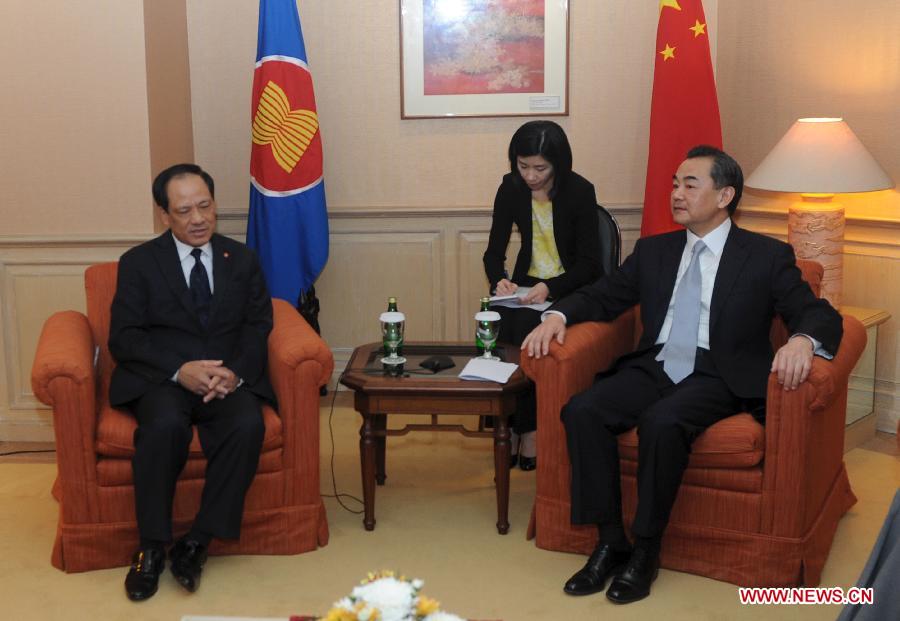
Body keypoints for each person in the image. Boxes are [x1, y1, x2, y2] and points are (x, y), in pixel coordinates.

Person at [521, 146, 843, 604]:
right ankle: (611, 539)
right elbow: (604, 295)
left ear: (725, 194)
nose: (676, 193)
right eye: (675, 183)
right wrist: (559, 315)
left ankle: (647, 551)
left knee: (663, 423)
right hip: (657, 362)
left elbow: (817, 312)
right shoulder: (655, 250)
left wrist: (801, 340)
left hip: (720, 372)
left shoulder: (766, 256)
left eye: (690, 184)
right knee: (583, 410)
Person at [109, 163, 275, 602]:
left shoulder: (241, 259)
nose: (198, 218)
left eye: (205, 205)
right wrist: (180, 370)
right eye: (184, 210)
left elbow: (258, 325)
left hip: (225, 377)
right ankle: (150, 547)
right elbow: (124, 337)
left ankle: (198, 541)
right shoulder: (138, 264)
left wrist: (234, 372)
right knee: (163, 427)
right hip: (164, 379)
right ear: (164, 214)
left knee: (247, 424)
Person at [483, 120, 603, 470]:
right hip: (524, 286)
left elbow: (590, 264)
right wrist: (499, 281)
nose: (531, 176)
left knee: (528, 334)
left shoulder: (580, 191)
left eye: (540, 168)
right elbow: (493, 252)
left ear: (558, 164)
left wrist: (551, 287)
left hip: (568, 289)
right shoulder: (510, 188)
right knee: (498, 327)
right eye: (523, 166)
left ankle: (531, 430)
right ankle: (509, 428)